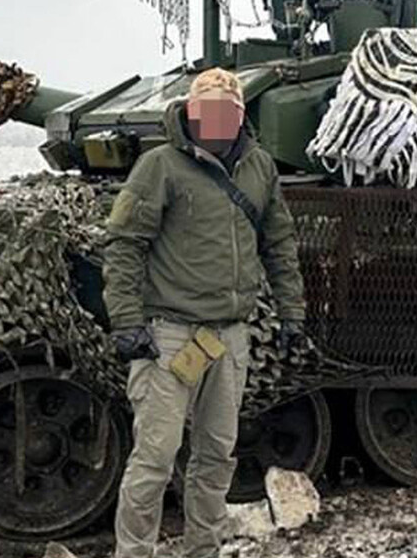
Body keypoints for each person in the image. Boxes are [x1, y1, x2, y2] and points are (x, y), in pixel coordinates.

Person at [101, 67, 307, 558]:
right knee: (155, 458)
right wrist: (126, 321)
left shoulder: (258, 167)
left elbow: (278, 243)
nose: (216, 121)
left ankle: (204, 550)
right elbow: (125, 244)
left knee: (216, 456)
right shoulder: (159, 166)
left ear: (239, 116)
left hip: (228, 336)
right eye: (207, 111)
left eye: (226, 111)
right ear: (190, 113)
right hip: (169, 334)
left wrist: (292, 314)